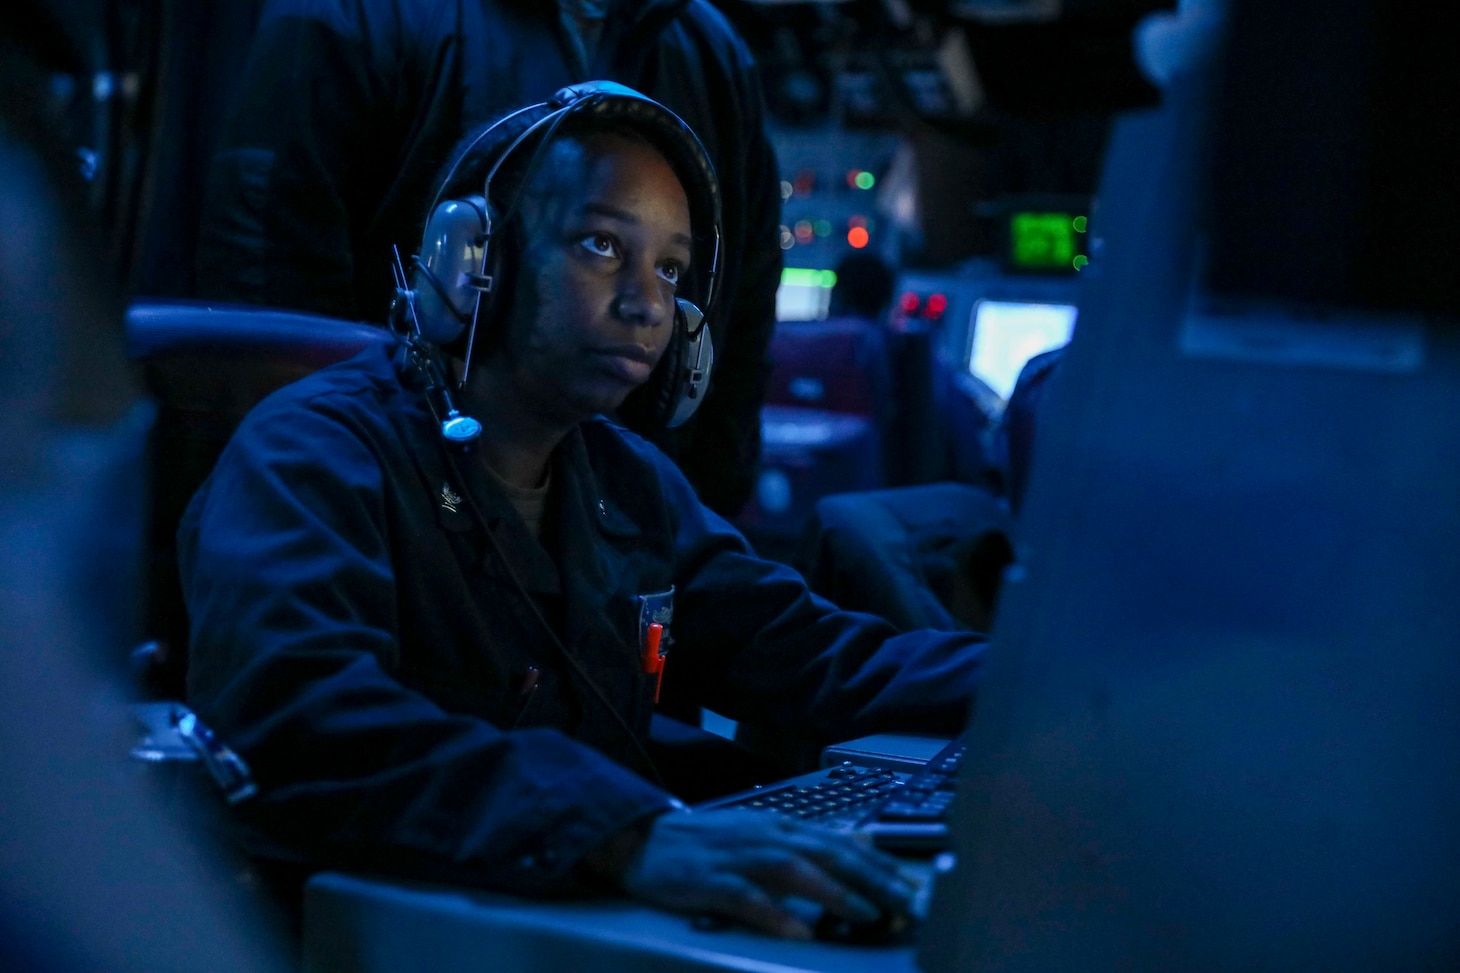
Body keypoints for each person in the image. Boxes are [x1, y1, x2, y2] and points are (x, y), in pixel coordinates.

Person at [180, 84, 985, 939]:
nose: (648, 305)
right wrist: (628, 835)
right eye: (604, 246)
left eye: (670, 270)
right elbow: (299, 716)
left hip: (573, 921)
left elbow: (815, 657)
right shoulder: (314, 454)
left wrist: (1044, 690)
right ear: (473, 263)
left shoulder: (626, 479)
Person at [194, 0, 781, 517]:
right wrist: (322, 500)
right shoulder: (356, 15)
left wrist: (686, 540)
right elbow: (269, 284)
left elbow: (742, 326)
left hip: (615, 547)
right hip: (384, 511)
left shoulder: (715, 58)